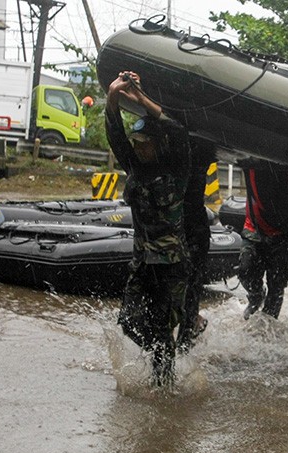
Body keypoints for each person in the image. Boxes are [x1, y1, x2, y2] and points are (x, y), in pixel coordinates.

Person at [105, 71, 191, 386]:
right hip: (141, 263)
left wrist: (142, 100)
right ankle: (159, 356)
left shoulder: (178, 167)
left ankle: (164, 391)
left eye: (145, 143)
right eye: (137, 142)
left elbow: (179, 131)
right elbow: (115, 136)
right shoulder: (135, 168)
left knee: (162, 330)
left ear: (157, 143)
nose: (139, 148)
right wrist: (113, 97)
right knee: (129, 322)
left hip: (171, 265)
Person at [239, 161, 288, 320]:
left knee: (277, 286)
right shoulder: (252, 160)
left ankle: (268, 329)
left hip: (283, 234)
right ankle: (256, 295)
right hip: (254, 229)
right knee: (245, 270)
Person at [176, 139, 216, 353]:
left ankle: (186, 340)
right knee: (183, 289)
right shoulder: (171, 157)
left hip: (194, 229)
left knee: (190, 287)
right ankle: (192, 322)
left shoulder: (196, 155)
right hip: (180, 227)